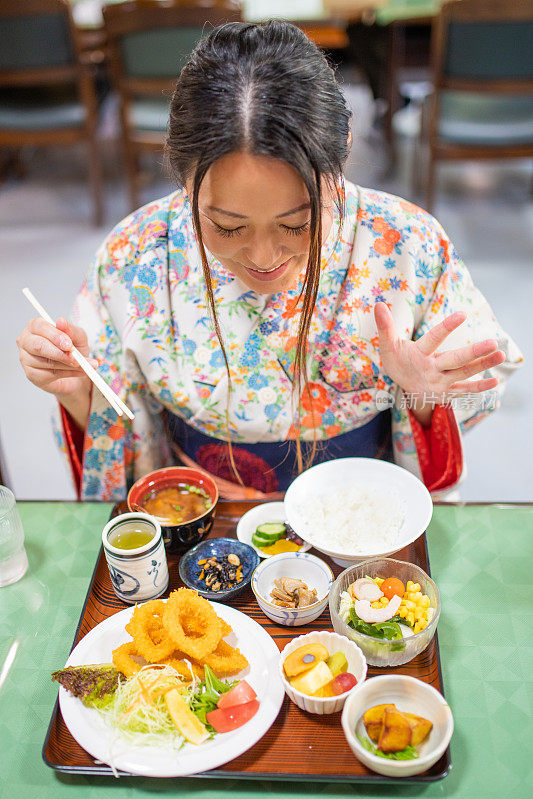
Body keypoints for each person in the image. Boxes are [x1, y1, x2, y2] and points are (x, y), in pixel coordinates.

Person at [16, 22, 522, 502]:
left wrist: (423, 394)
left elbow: (466, 398)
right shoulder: (137, 253)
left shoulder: (405, 246)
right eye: (228, 227)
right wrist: (82, 390)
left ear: (341, 153)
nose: (263, 258)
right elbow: (120, 424)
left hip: (361, 517)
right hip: (208, 519)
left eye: (298, 224)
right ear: (182, 173)